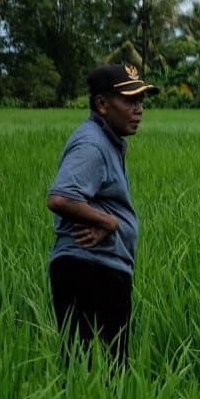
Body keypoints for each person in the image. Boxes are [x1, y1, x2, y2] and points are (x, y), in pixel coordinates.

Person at [46, 63, 156, 363]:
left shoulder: (106, 141)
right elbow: (60, 197)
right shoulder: (92, 144)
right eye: (130, 101)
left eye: (141, 101)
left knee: (90, 372)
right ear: (102, 104)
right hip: (92, 271)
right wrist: (107, 221)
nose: (139, 109)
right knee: (108, 373)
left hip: (95, 268)